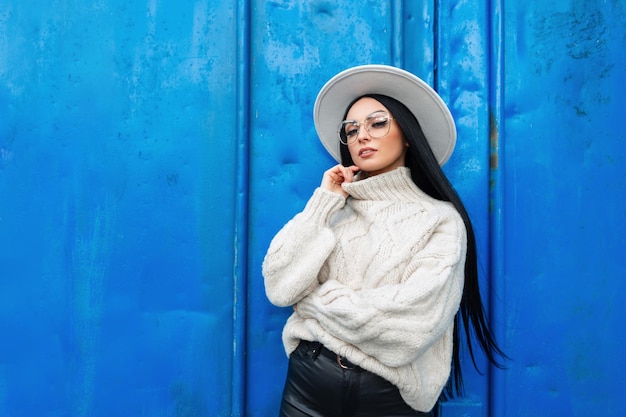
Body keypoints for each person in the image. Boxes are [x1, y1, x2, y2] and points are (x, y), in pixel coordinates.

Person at [262, 65, 506, 417]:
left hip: (390, 401)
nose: (362, 135)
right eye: (351, 129)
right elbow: (280, 285)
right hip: (307, 389)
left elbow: (410, 328)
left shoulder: (440, 221)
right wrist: (323, 203)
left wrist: (314, 302)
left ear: (407, 134)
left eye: (377, 123)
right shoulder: (334, 211)